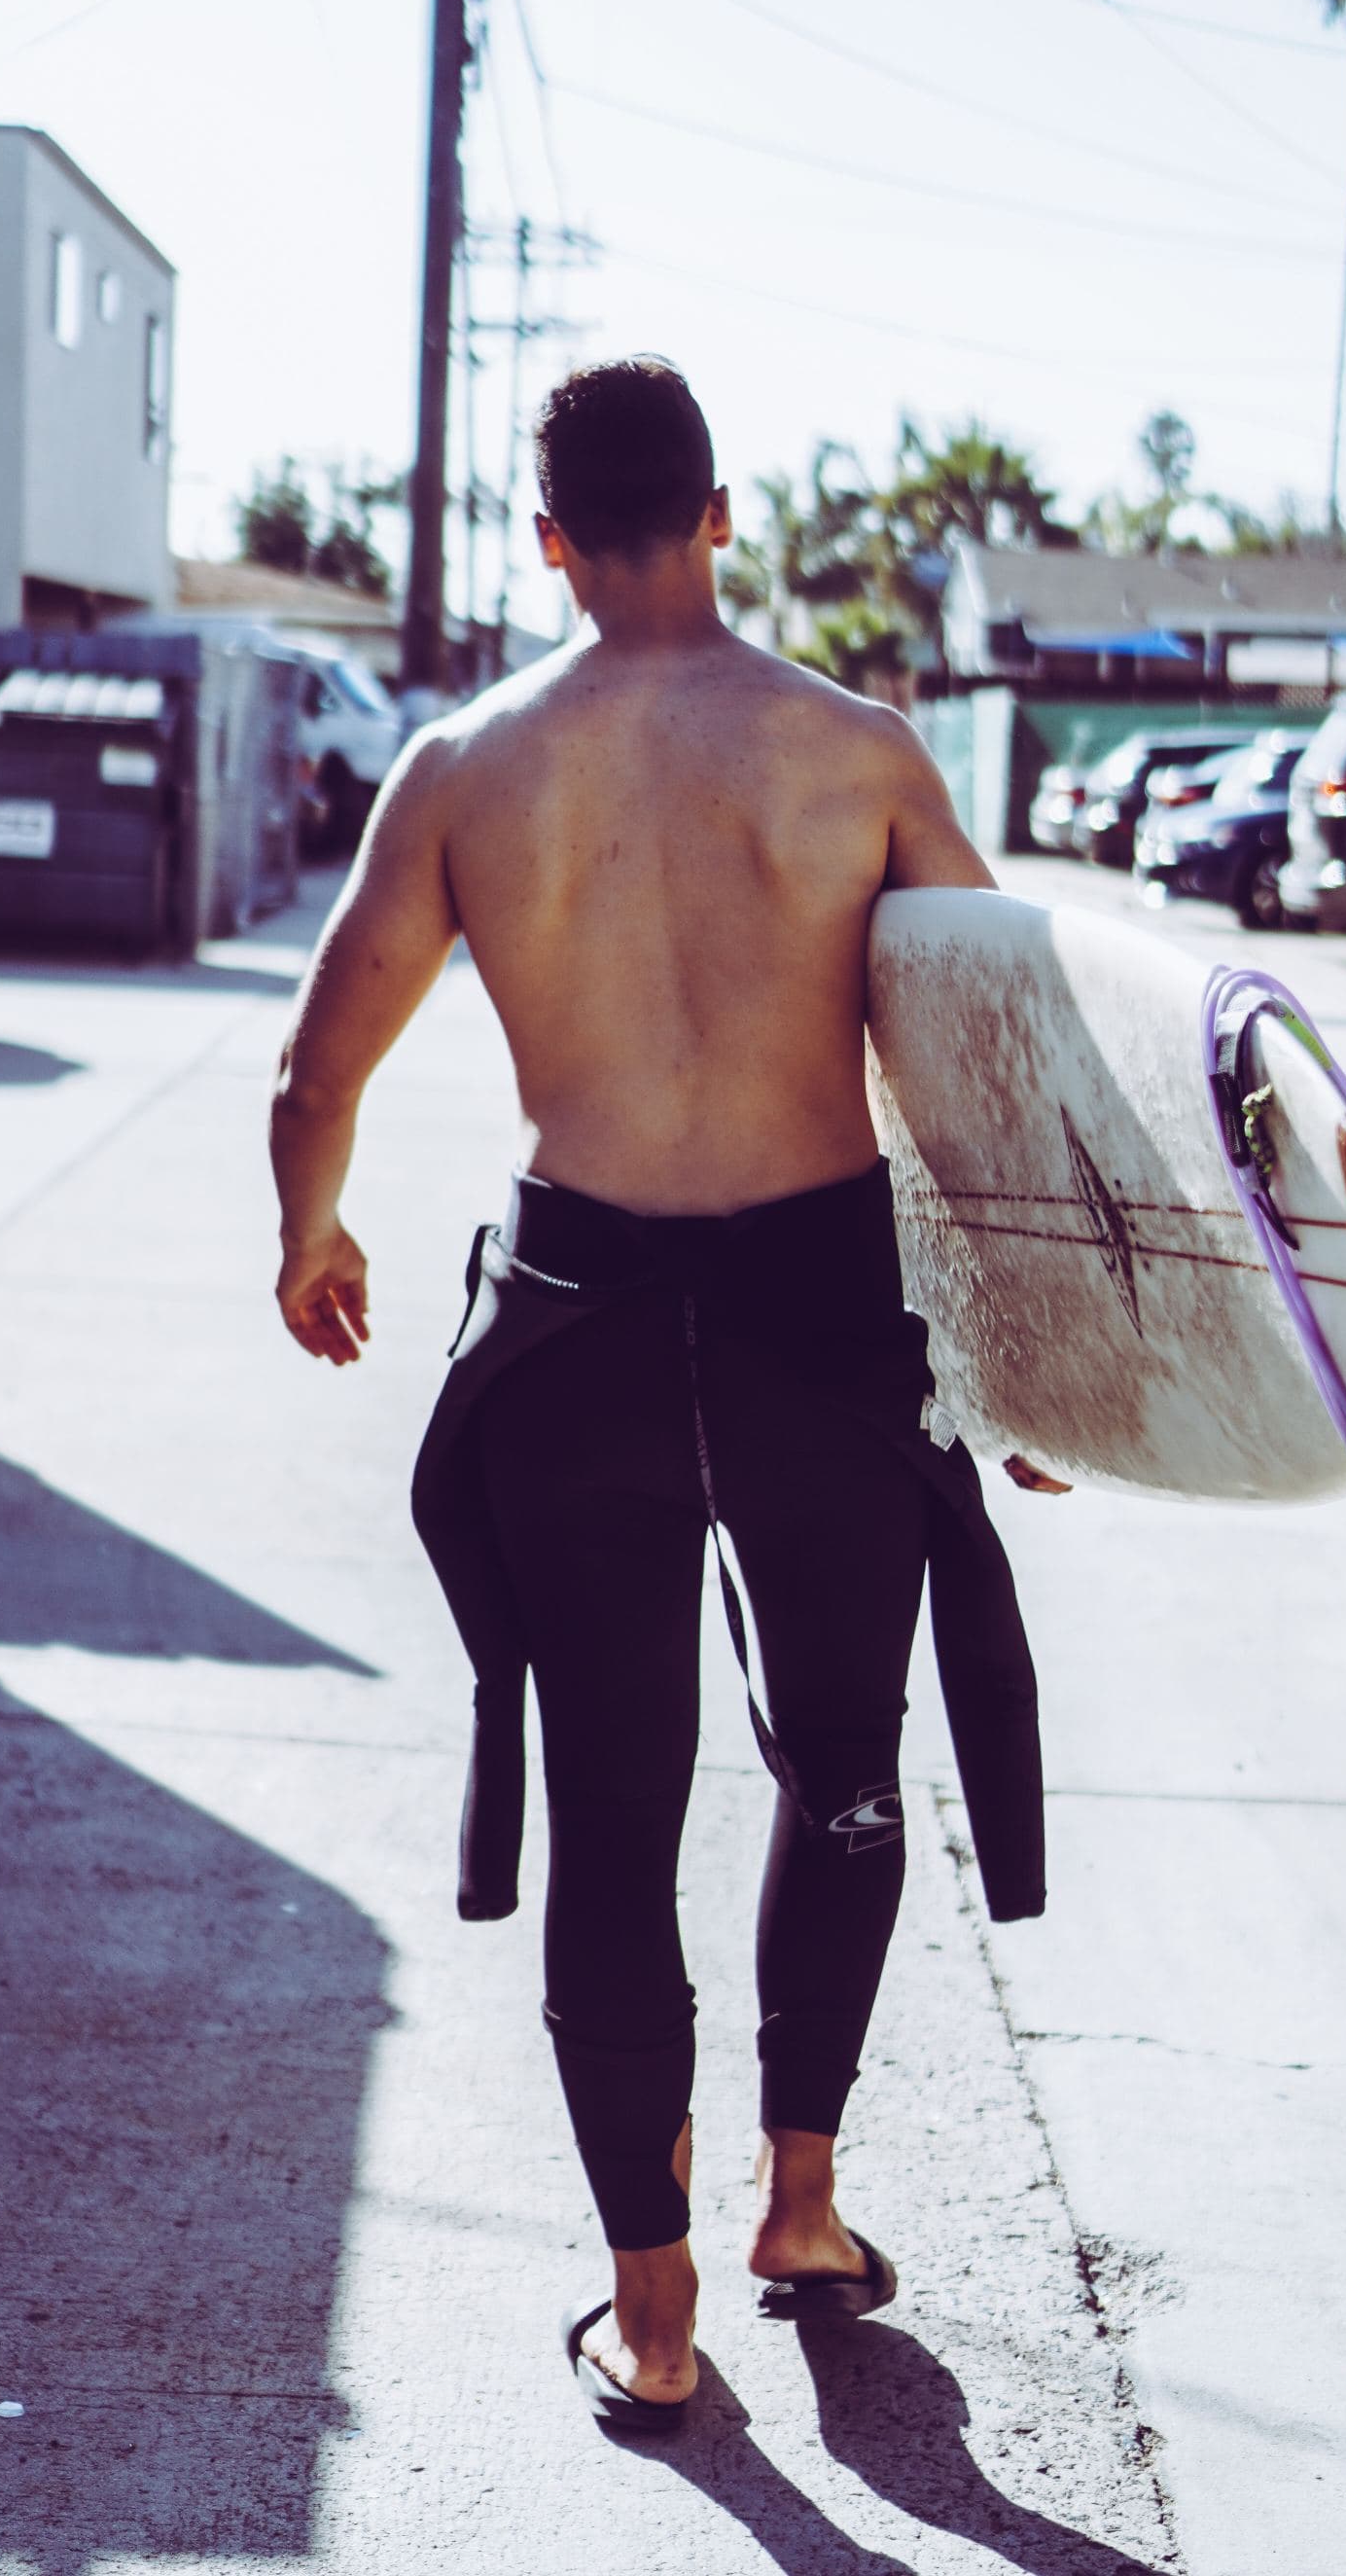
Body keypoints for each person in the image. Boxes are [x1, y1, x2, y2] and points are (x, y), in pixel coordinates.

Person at [270, 358, 1043, 2433]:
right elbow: (987, 1082)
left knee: (617, 1821)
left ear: (543, 539)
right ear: (724, 513)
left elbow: (313, 1071)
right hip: (821, 1323)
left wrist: (311, 1238)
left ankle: (662, 2312)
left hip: (582, 1327)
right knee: (846, 1771)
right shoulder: (862, 753)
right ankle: (803, 2201)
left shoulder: (463, 766)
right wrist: (1036, 1357)